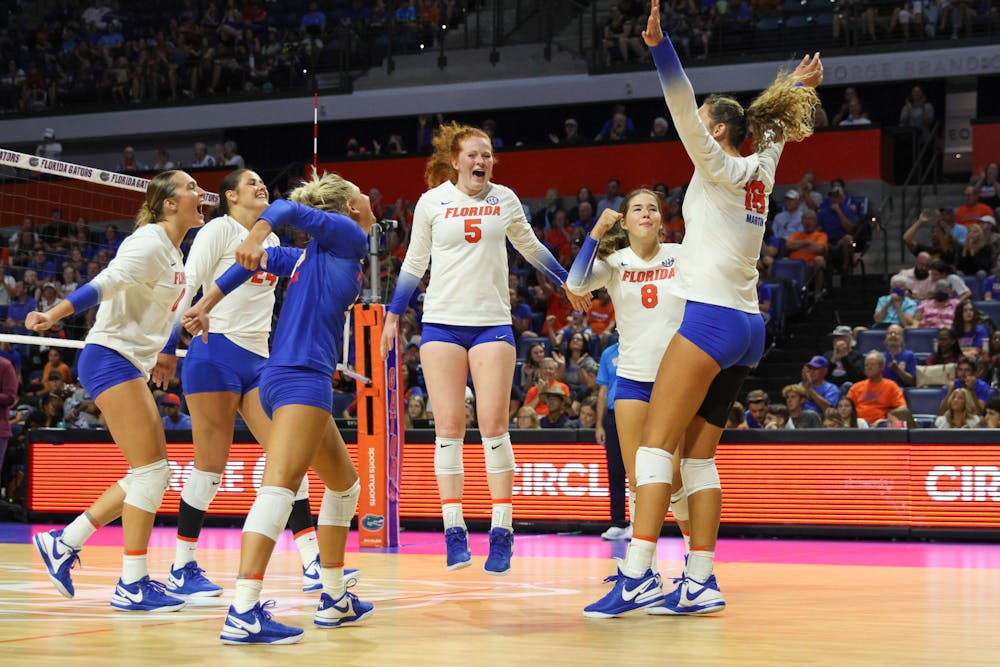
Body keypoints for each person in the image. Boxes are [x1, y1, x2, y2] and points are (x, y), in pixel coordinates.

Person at [585, 1, 822, 619]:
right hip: (749, 325)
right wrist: (795, 85)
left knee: (655, 448)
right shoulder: (760, 170)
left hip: (712, 319)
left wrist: (662, 48)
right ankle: (700, 580)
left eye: (703, 122)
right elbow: (773, 131)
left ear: (714, 130)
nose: (694, 126)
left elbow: (679, 99)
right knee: (699, 457)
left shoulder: (715, 165)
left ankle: (635, 575)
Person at [380, 122, 588, 576]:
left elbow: (531, 249)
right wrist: (394, 316)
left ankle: (501, 530)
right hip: (441, 325)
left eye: (487, 155)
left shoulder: (505, 199)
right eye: (473, 155)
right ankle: (454, 530)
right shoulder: (432, 202)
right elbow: (414, 262)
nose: (481, 162)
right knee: (449, 428)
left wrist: (566, 282)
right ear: (455, 161)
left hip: (491, 323)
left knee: (494, 426)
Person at [183, 171, 376, 643]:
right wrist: (253, 232)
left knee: (344, 485)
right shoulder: (350, 236)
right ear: (350, 208)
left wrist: (208, 301)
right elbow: (285, 212)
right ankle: (244, 611)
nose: (368, 196)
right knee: (280, 489)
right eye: (360, 191)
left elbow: (255, 264)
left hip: (285, 377)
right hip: (299, 378)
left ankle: (334, 597)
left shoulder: (310, 255)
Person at [30, 170, 207, 611]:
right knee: (152, 471)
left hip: (128, 361)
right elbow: (106, 283)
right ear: (168, 203)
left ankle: (66, 543)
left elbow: (160, 312)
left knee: (151, 472)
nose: (199, 192)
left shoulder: (173, 253)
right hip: (109, 356)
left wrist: (167, 348)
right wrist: (57, 312)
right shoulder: (149, 241)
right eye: (190, 188)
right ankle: (130, 582)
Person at [567, 191, 685, 543]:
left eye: (653, 208)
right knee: (637, 477)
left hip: (676, 378)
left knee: (675, 477)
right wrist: (595, 233)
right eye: (637, 208)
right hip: (632, 379)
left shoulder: (681, 255)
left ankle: (694, 559)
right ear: (625, 221)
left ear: (662, 220)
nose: (646, 213)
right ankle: (639, 564)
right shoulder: (615, 263)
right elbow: (575, 284)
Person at [594, 341, 629, 539]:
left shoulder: (642, 347)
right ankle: (617, 522)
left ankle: (638, 523)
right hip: (613, 415)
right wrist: (599, 424)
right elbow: (602, 390)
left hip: (638, 412)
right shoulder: (609, 353)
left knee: (637, 470)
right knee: (615, 470)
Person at [846, 351, 907, 425]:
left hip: (881, 425)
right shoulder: (856, 387)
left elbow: (902, 409)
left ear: (881, 367)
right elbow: (845, 407)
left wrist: (886, 420)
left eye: (872, 365)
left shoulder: (891, 386)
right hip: (858, 424)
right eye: (866, 365)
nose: (868, 368)